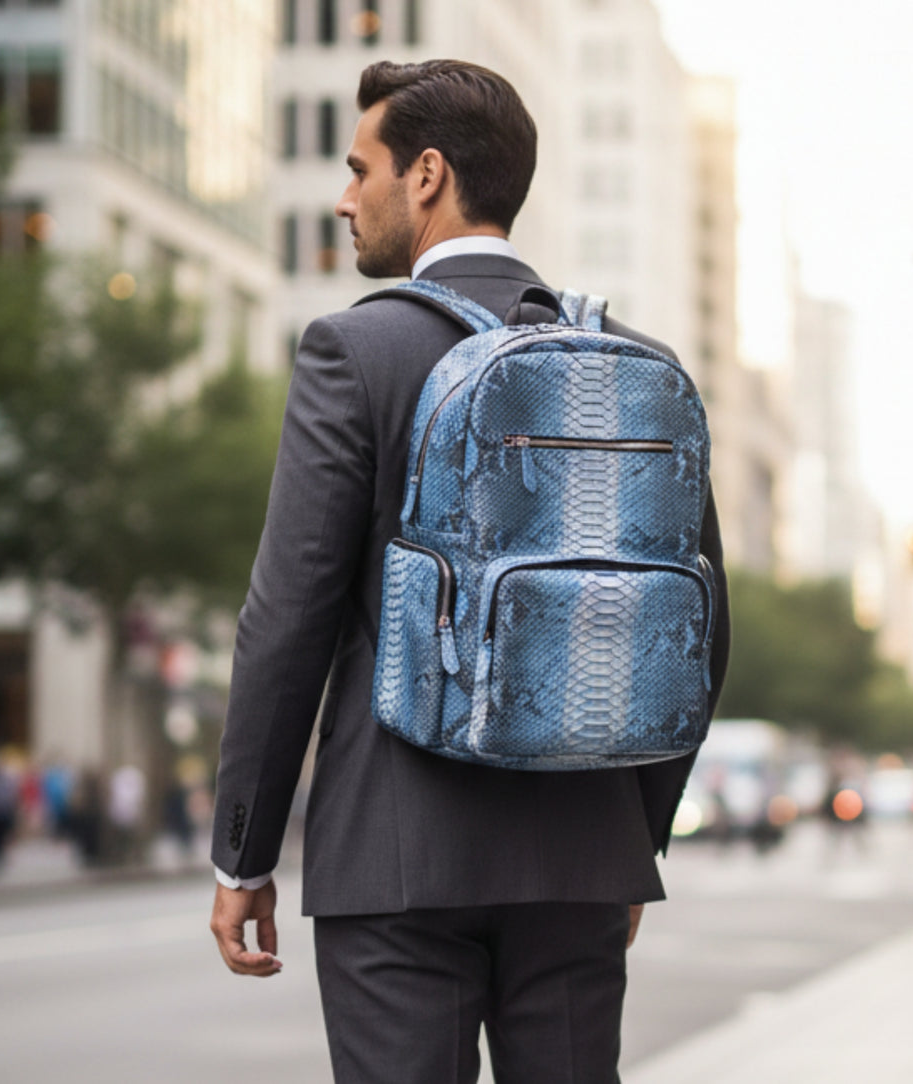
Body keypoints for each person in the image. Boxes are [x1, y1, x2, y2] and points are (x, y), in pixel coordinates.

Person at [208, 60, 729, 1084]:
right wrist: (630, 839)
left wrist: (244, 853)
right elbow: (701, 632)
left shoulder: (353, 353)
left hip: (393, 863)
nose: (343, 195)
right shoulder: (631, 358)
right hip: (580, 859)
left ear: (427, 175)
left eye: (360, 168)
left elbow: (286, 620)